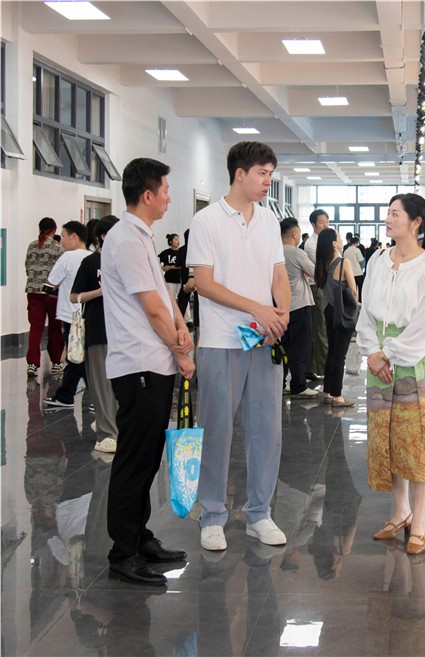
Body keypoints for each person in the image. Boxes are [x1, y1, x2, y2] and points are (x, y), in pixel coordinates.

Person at [187, 141, 291, 552]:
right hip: (221, 340)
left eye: (270, 174)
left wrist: (281, 314)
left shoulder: (268, 221)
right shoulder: (206, 220)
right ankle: (212, 514)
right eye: (262, 173)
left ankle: (259, 513)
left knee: (267, 430)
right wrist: (257, 308)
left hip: (263, 340)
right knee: (216, 430)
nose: (267, 181)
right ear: (240, 174)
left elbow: (278, 274)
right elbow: (204, 283)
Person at [103, 157, 194, 585]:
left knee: (147, 459)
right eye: (166, 191)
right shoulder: (125, 240)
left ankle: (139, 538)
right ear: (147, 194)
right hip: (138, 365)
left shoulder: (141, 236)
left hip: (153, 363)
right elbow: (152, 308)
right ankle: (123, 553)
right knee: (134, 461)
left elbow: (164, 297)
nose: (168, 198)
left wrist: (182, 327)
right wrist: (181, 351)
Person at [356, 193, 425, 555]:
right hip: (378, 360)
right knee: (388, 438)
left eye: (395, 214)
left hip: (412, 359)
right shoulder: (379, 260)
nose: (388, 219)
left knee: (416, 440)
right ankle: (400, 511)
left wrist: (389, 353)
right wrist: (371, 353)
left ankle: (419, 520)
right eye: (388, 213)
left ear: (415, 222)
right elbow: (366, 312)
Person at [70, 215, 120, 453]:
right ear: (102, 236)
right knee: (101, 383)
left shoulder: (124, 260)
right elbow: (74, 296)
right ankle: (106, 433)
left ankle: (109, 424)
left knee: (119, 384)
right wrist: (100, 292)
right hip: (98, 329)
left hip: (122, 331)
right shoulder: (91, 262)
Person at [44, 221, 91, 409]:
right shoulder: (94, 257)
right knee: (82, 356)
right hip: (89, 314)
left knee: (75, 357)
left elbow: (50, 284)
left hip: (72, 315)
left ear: (74, 236)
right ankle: (82, 395)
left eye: (63, 236)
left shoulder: (68, 257)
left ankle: (68, 395)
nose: (61, 240)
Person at [315, 228, 358, 407]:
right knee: (340, 355)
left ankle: (327, 392)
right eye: (338, 238)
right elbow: (353, 290)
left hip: (328, 310)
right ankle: (337, 396)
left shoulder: (322, 264)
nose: (341, 240)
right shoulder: (343, 262)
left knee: (332, 352)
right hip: (342, 312)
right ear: (334, 243)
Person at [280, 217, 318, 399]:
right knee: (300, 348)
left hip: (280, 307)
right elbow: (315, 273)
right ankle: (298, 385)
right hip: (299, 306)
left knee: (283, 347)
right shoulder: (297, 253)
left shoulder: (274, 252)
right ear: (295, 234)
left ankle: (280, 383)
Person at [25, 217, 65, 377]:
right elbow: (63, 270)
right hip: (51, 293)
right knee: (55, 327)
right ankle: (56, 362)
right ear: (54, 230)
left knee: (36, 328)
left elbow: (27, 268)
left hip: (33, 291)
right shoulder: (58, 247)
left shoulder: (31, 246)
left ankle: (32, 364)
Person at [304, 209, 330, 380]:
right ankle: (321, 367)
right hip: (317, 287)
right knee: (320, 328)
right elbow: (324, 267)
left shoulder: (326, 241)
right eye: (322, 222)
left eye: (327, 222)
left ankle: (319, 366)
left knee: (323, 328)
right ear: (313, 225)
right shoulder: (311, 244)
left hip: (327, 287)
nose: (325, 225)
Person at [158, 233, 181, 303]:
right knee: (170, 299)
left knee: (182, 300)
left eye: (178, 239)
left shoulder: (181, 252)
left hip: (180, 279)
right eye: (176, 239)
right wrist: (161, 267)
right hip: (169, 279)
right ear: (171, 242)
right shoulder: (166, 252)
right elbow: (157, 259)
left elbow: (182, 265)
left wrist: (170, 267)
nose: (178, 241)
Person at [344, 236, 365, 300]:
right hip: (358, 272)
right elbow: (360, 261)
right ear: (357, 242)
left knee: (352, 290)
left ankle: (353, 301)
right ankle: (360, 300)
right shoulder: (357, 250)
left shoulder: (346, 251)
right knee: (361, 288)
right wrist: (361, 269)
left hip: (349, 273)